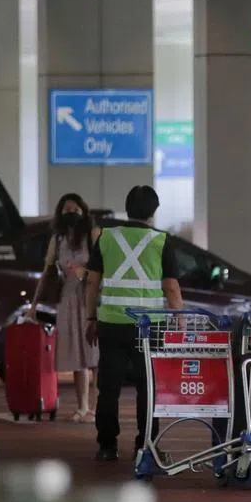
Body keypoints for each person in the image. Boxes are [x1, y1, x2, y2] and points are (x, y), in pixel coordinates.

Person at [84, 185, 183, 463]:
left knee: (109, 388)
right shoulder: (160, 241)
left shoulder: (106, 237)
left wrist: (90, 317)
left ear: (127, 208)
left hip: (111, 323)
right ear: (153, 211)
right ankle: (146, 444)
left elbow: (92, 282)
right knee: (148, 387)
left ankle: (107, 445)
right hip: (148, 327)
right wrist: (180, 322)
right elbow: (171, 288)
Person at [27, 193, 101, 422]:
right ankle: (82, 407)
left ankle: (99, 408)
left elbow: (107, 268)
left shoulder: (94, 235)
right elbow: (47, 272)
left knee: (95, 355)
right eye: (66, 209)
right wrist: (34, 304)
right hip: (68, 298)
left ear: (83, 211)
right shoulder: (57, 240)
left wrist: (86, 274)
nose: (71, 213)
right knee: (77, 356)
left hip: (92, 297)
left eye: (75, 209)